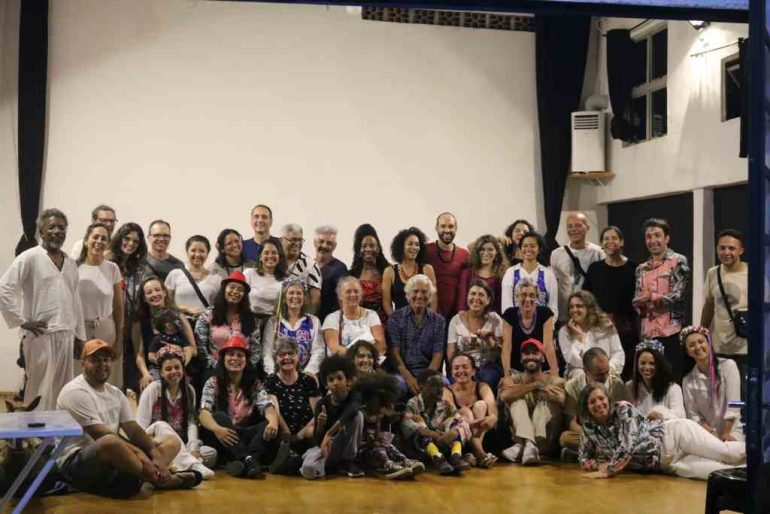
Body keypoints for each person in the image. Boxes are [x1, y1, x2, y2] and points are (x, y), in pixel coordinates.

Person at [57, 339, 202, 498]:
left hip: (115, 455)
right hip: (77, 461)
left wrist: (155, 455)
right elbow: (101, 435)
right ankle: (161, 480)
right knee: (110, 442)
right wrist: (143, 457)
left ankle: (142, 478)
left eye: (106, 360)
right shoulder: (75, 391)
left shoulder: (115, 392)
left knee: (171, 441)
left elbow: (133, 430)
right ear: (83, 362)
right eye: (95, 360)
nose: (102, 364)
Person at [0, 208, 86, 410]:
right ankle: (34, 428)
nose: (57, 231)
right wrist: (22, 321)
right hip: (40, 335)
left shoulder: (70, 263)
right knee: (40, 390)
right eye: (52, 227)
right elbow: (4, 288)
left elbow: (75, 301)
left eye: (62, 228)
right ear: (41, 232)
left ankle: (57, 430)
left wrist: (80, 336)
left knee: (64, 391)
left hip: (66, 334)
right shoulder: (29, 257)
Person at [578, 384, 745, 480]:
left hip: (674, 436)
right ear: (586, 407)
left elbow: (628, 444)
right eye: (592, 402)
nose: (598, 404)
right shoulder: (589, 428)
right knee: (718, 474)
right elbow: (583, 459)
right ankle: (758, 475)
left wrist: (608, 469)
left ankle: (758, 450)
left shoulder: (623, 409)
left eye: (601, 398)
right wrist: (597, 465)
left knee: (728, 454)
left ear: (608, 399)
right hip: (666, 464)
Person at [198, 335, 279, 478]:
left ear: (246, 360)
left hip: (242, 434)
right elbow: (203, 413)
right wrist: (217, 429)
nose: (235, 358)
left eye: (240, 355)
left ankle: (242, 462)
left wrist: (273, 421)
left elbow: (267, 406)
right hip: (221, 437)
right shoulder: (213, 382)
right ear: (223, 359)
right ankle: (250, 462)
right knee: (220, 417)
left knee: (265, 424)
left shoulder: (255, 384)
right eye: (231, 354)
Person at [136, 345, 216, 479]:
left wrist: (193, 449)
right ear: (161, 373)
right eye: (168, 369)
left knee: (211, 453)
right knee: (161, 425)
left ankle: (179, 465)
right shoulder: (153, 389)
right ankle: (193, 465)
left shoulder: (189, 390)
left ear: (183, 369)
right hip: (155, 442)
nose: (173, 371)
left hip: (180, 445)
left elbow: (191, 424)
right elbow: (140, 425)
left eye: (177, 367)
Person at [633, 218, 689, 380]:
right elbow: (638, 297)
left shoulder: (678, 261)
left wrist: (652, 297)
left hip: (671, 332)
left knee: (672, 379)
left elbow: (678, 295)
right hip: (648, 334)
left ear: (667, 238)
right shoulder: (641, 269)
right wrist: (639, 304)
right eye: (648, 237)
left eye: (657, 235)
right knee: (650, 381)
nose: (652, 241)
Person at [499, 338, 565, 464]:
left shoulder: (555, 380)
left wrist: (539, 390)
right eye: (526, 353)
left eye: (535, 353)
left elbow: (561, 399)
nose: (530, 357)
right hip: (520, 439)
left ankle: (526, 444)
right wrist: (534, 385)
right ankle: (529, 445)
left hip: (546, 440)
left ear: (543, 358)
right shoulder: (512, 380)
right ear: (521, 359)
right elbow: (504, 396)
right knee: (517, 401)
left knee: (545, 402)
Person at [584, 226, 638, 378]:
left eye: (614, 238)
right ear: (601, 244)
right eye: (606, 239)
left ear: (622, 242)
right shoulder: (595, 269)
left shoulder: (634, 269)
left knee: (627, 371)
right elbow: (586, 298)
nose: (610, 242)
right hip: (601, 329)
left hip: (627, 329)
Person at [263, 336, 322, 475]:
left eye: (291, 353)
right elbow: (275, 411)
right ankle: (288, 458)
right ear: (276, 358)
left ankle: (298, 460)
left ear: (298, 356)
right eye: (282, 354)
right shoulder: (271, 380)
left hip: (305, 432)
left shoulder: (308, 380)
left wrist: (300, 435)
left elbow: (317, 412)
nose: (287, 358)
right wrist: (288, 434)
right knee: (272, 427)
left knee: (312, 430)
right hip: (283, 433)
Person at [300, 355, 365, 479]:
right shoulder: (322, 404)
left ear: (348, 380)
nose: (335, 383)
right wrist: (320, 426)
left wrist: (330, 432)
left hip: (345, 448)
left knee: (358, 416)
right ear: (326, 384)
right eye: (331, 380)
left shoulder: (355, 396)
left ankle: (348, 462)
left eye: (339, 378)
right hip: (328, 449)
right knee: (309, 470)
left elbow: (352, 411)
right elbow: (317, 441)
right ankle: (327, 466)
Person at [77, 223, 124, 387]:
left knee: (107, 379)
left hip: (106, 330)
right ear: (86, 240)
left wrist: (119, 338)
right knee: (79, 378)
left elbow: (118, 307)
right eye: (95, 237)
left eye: (103, 239)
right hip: (80, 331)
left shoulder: (112, 269)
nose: (99, 241)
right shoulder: (73, 267)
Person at [559, 348, 629, 459]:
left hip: (612, 434)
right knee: (565, 438)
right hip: (587, 433)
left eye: (607, 372)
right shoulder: (573, 387)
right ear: (586, 371)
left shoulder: (617, 385)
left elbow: (624, 419)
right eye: (599, 375)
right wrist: (593, 436)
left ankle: (589, 453)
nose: (605, 377)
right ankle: (603, 452)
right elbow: (571, 422)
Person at [356, 371, 426, 479]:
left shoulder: (379, 418)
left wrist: (378, 439)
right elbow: (353, 446)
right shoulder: (359, 416)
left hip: (372, 450)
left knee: (387, 445)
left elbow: (377, 440)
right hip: (359, 455)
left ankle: (404, 461)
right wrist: (369, 444)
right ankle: (388, 466)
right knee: (378, 448)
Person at [401, 369, 472, 475]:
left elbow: (461, 421)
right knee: (419, 426)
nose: (439, 390)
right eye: (434, 386)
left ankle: (456, 456)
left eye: (441, 386)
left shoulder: (445, 404)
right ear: (421, 387)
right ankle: (438, 458)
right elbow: (408, 424)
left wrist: (453, 432)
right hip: (420, 448)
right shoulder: (413, 403)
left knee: (456, 423)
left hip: (441, 442)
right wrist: (434, 434)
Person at [700, 229, 748, 382]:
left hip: (747, 348)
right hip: (720, 349)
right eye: (722, 248)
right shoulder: (712, 273)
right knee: (721, 392)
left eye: (732, 248)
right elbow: (709, 305)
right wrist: (702, 333)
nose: (726, 252)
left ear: (741, 250)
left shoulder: (754, 273)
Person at [680, 325, 743, 442]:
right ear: (688, 352)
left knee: (730, 450)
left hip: (732, 431)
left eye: (701, 342)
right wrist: (710, 433)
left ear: (709, 343)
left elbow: (735, 403)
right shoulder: (688, 380)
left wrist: (726, 433)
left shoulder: (728, 366)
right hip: (706, 434)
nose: (697, 347)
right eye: (692, 345)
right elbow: (693, 414)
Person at [132, 277, 196, 389]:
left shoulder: (179, 316)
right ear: (144, 298)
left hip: (180, 367)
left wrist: (180, 358)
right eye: (149, 292)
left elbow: (193, 350)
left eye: (157, 290)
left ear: (165, 293)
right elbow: (140, 356)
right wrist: (145, 374)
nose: (154, 294)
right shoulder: (139, 323)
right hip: (155, 370)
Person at [195, 271, 261, 378]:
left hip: (244, 370)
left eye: (240, 290)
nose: (235, 291)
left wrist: (244, 367)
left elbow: (256, 349)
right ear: (224, 289)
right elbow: (200, 346)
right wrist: (217, 366)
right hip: (214, 369)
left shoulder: (251, 319)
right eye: (232, 287)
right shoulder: (208, 315)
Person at [388, 275, 446, 395]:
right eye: (415, 291)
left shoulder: (439, 321)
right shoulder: (395, 318)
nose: (419, 296)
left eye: (424, 292)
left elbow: (438, 355)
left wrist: (425, 380)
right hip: (402, 373)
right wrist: (409, 378)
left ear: (430, 296)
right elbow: (394, 354)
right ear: (408, 295)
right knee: (396, 385)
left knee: (444, 384)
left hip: (428, 372)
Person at [109, 223, 148, 391]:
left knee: (126, 377)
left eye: (136, 241)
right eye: (127, 239)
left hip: (132, 326)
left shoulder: (139, 267)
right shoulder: (107, 261)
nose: (131, 244)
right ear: (119, 238)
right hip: (110, 323)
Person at [549, 212, 605, 325]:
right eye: (570, 226)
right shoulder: (556, 254)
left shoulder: (598, 253)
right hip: (565, 315)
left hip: (590, 314)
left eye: (578, 225)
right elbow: (553, 285)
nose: (573, 229)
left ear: (587, 227)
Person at [447, 280, 504, 388]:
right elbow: (451, 355)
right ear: (467, 297)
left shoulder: (495, 319)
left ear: (488, 300)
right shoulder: (456, 320)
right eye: (473, 294)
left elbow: (502, 354)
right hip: (463, 365)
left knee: (488, 378)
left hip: (487, 366)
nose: (476, 298)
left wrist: (489, 340)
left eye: (481, 295)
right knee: (455, 380)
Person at [263, 278, 325, 376]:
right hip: (278, 375)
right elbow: (267, 352)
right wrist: (273, 375)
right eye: (291, 293)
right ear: (284, 298)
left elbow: (318, 350)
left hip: (306, 375)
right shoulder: (274, 322)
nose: (295, 296)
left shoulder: (313, 321)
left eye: (299, 293)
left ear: (304, 298)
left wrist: (309, 373)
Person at [557, 290, 624, 379]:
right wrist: (579, 338)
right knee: (579, 373)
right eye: (571, 307)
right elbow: (574, 362)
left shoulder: (605, 325)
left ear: (589, 308)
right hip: (581, 372)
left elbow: (618, 352)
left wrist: (609, 367)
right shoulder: (564, 331)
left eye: (579, 306)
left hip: (607, 369)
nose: (574, 310)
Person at [448, 353, 499, 468]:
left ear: (473, 371)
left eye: (465, 367)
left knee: (481, 405)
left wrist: (492, 416)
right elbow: (450, 414)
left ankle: (475, 452)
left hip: (482, 434)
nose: (460, 371)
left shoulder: (482, 386)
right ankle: (481, 454)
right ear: (451, 372)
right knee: (464, 411)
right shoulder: (447, 390)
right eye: (456, 368)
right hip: (460, 437)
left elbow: (491, 405)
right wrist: (469, 422)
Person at [501, 278, 558, 376]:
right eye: (524, 295)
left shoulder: (545, 313)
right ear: (517, 296)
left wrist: (554, 374)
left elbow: (548, 346)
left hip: (542, 370)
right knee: (507, 385)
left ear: (537, 297)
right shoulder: (509, 315)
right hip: (517, 370)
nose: (527, 299)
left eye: (532, 295)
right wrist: (507, 375)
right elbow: (506, 348)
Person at [322, 276, 386, 356]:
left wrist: (363, 357)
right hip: (343, 361)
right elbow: (334, 348)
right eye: (348, 292)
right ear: (340, 296)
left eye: (356, 291)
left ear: (361, 294)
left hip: (368, 360)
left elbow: (381, 345)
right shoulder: (331, 318)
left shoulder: (371, 315)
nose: (353, 295)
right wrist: (358, 356)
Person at [500, 231, 558, 318]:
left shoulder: (548, 274)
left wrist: (548, 324)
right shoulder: (511, 273)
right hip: (516, 324)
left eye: (532, 246)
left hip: (542, 324)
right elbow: (506, 306)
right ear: (520, 248)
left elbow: (553, 306)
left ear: (539, 249)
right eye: (525, 246)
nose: (528, 249)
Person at [382, 227, 438, 316]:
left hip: (424, 321)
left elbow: (433, 301)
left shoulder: (427, 269)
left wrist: (428, 321)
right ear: (401, 247)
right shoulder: (389, 272)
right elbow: (386, 303)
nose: (414, 247)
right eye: (410, 244)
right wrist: (395, 321)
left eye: (417, 244)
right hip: (398, 321)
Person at [424, 212, 469, 321]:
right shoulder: (425, 251)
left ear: (456, 228)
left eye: (451, 226)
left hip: (456, 316)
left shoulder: (465, 255)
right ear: (436, 228)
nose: (447, 230)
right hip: (429, 314)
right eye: (443, 226)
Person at [626, 339, 685, 420]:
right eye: (643, 363)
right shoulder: (630, 387)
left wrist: (662, 415)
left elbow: (680, 415)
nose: (647, 368)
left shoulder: (673, 388)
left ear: (659, 365)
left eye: (652, 363)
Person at [165, 235, 220, 317]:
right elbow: (166, 303)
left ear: (207, 254)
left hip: (203, 323)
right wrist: (184, 310)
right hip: (179, 322)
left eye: (202, 251)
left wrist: (203, 313)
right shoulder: (175, 274)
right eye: (193, 250)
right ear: (187, 252)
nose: (197, 254)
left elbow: (217, 307)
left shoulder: (215, 279)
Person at [456, 234, 508, 315]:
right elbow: (461, 304)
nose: (486, 253)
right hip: (469, 319)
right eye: (482, 249)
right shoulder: (467, 273)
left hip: (494, 319)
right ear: (477, 252)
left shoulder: (503, 275)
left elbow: (502, 305)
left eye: (490, 249)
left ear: (497, 252)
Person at [349, 224, 390, 323]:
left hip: (384, 324)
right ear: (359, 250)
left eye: (372, 246)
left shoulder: (388, 271)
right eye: (364, 246)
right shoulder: (352, 274)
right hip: (360, 324)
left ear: (378, 248)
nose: (368, 249)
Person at [281, 223, 322, 314]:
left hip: (298, 316)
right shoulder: (273, 260)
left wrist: (304, 319)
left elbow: (315, 300)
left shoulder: (310, 265)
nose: (297, 244)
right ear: (281, 240)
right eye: (292, 240)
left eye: (300, 240)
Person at [244, 238, 287, 318]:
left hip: (273, 321)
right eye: (266, 253)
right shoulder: (249, 273)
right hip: (249, 318)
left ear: (279, 256)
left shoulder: (285, 281)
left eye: (274, 253)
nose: (270, 256)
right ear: (260, 257)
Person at [314, 225, 349, 322]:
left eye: (329, 243)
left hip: (331, 323)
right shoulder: (307, 266)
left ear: (334, 246)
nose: (324, 246)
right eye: (321, 241)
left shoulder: (340, 269)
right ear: (315, 242)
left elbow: (344, 300)